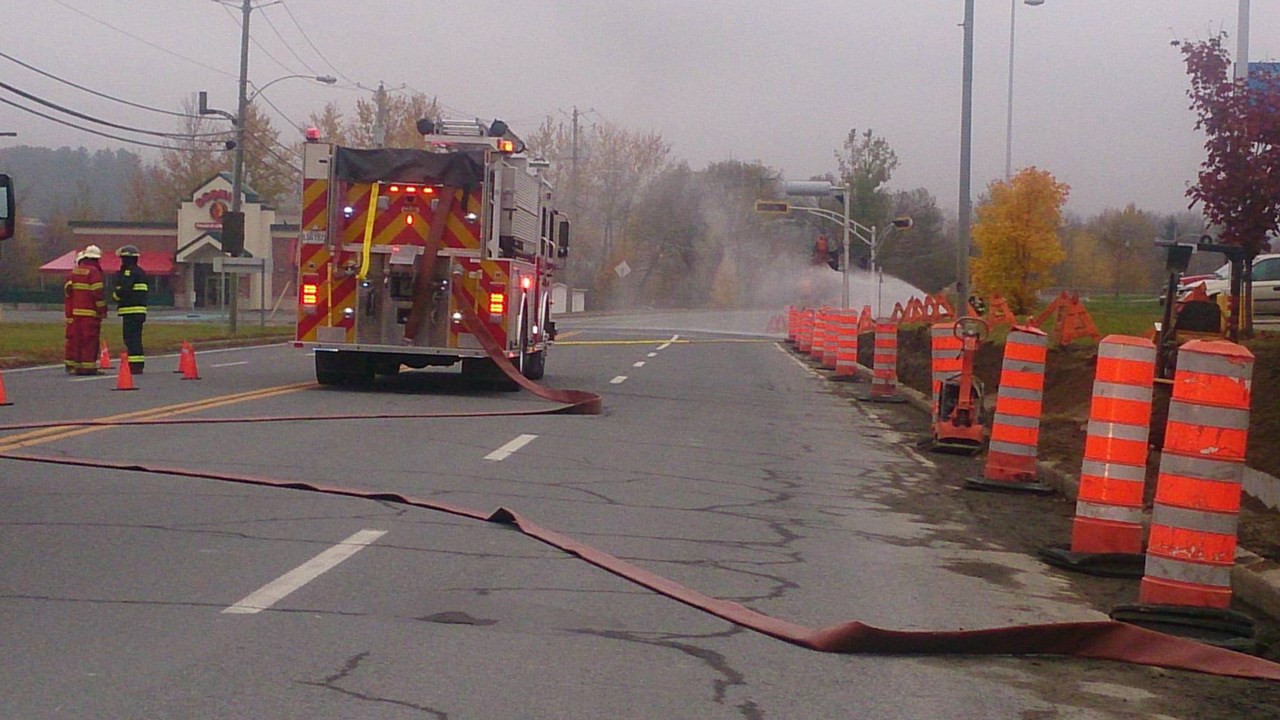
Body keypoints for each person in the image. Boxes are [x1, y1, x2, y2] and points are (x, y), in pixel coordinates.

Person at [65, 245, 107, 375]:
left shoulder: (74, 272)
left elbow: (69, 292)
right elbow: (97, 293)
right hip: (90, 314)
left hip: (76, 313)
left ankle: (77, 366)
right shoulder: (94, 272)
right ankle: (88, 367)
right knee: (90, 341)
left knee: (77, 340)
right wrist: (102, 309)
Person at [112, 245, 149, 373]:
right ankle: (137, 364)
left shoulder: (129, 273)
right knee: (136, 338)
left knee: (130, 339)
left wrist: (116, 294)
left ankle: (134, 366)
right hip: (139, 312)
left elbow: (124, 290)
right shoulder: (141, 272)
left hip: (130, 312)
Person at [63, 250, 84, 373]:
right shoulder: (72, 277)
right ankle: (71, 363)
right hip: (73, 313)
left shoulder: (75, 276)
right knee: (72, 339)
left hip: (75, 312)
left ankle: (76, 362)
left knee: (79, 339)